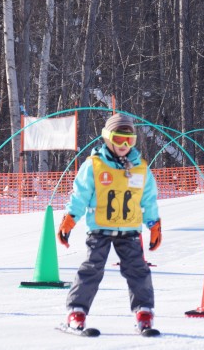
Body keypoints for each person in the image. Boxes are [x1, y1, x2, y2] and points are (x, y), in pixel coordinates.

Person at [57, 113, 162, 334]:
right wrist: (70, 219)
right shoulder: (94, 165)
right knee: (91, 269)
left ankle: (144, 312)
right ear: (107, 138)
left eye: (129, 140)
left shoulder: (140, 167)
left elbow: (148, 198)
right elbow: (80, 195)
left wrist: (153, 224)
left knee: (138, 271)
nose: (124, 145)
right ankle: (76, 312)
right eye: (118, 138)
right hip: (99, 230)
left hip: (129, 231)